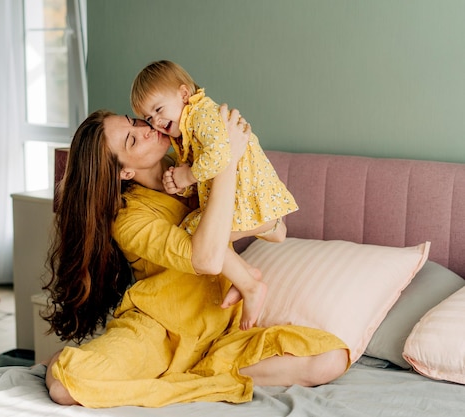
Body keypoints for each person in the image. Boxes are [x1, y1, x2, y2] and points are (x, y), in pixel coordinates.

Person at [42, 105, 349, 407]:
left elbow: (274, 227)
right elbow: (206, 259)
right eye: (132, 140)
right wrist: (225, 162)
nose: (147, 129)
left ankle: (195, 375)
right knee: (66, 384)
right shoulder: (129, 218)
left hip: (221, 336)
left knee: (330, 359)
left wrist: (221, 159)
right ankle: (198, 379)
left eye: (134, 122)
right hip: (158, 333)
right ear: (125, 171)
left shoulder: (192, 164)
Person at [130, 60, 298, 329]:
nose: (156, 122)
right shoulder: (185, 126)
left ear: (184, 95)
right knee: (197, 231)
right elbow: (207, 169)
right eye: (149, 118)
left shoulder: (203, 115)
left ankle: (250, 284)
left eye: (159, 110)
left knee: (196, 234)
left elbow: (221, 156)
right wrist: (182, 182)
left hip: (245, 189)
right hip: (235, 190)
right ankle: (247, 275)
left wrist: (187, 175)